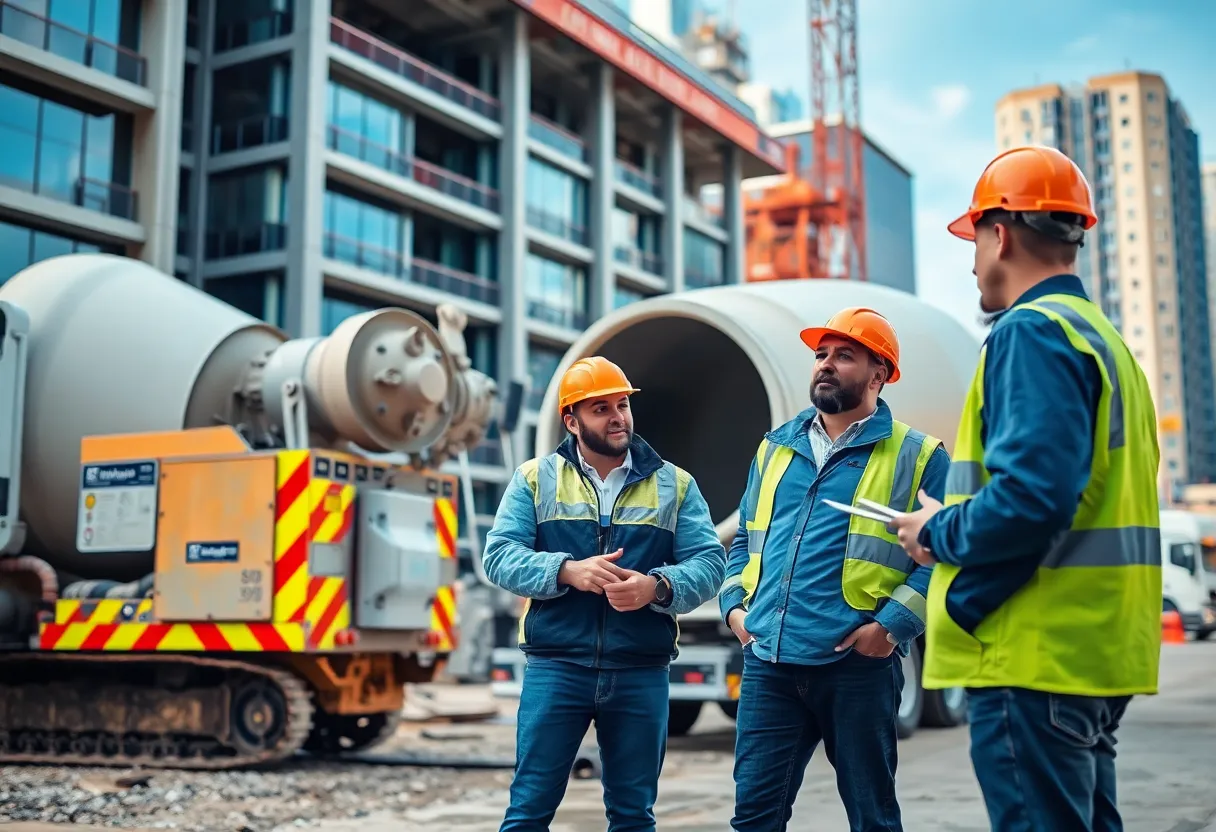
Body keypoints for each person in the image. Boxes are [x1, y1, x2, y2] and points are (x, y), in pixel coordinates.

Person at [888, 145, 1162, 832]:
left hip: (1031, 651)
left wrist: (936, 533)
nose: (973, 261)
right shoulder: (1105, 343)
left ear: (999, 233)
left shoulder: (1032, 334)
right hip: (1091, 651)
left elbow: (1032, 499)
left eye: (974, 240)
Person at [718, 308, 950, 832]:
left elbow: (944, 558)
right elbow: (747, 541)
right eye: (821, 355)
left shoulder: (919, 455)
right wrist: (735, 608)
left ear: (879, 373)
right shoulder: (775, 447)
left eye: (844, 355)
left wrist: (891, 627)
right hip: (770, 663)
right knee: (754, 817)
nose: (825, 364)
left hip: (856, 668)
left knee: (871, 818)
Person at [482, 355, 726, 832]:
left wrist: (657, 587)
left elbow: (711, 563)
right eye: (601, 409)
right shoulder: (534, 479)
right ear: (571, 421)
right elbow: (499, 556)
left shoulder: (675, 484)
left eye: (622, 405)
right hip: (557, 667)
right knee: (528, 811)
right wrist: (567, 571)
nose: (618, 417)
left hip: (640, 670)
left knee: (634, 817)